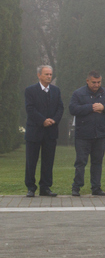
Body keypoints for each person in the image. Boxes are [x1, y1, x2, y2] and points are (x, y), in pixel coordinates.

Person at [69, 71, 105, 197]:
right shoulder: (78, 93)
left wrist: (103, 107)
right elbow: (72, 109)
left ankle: (96, 187)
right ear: (87, 81)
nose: (96, 85)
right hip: (83, 135)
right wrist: (90, 107)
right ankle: (76, 187)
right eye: (94, 82)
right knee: (81, 162)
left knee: (97, 162)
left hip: (100, 134)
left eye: (99, 82)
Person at [24, 65, 64, 197]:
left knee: (48, 161)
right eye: (46, 74)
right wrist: (43, 120)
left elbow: (60, 108)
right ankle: (31, 187)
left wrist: (54, 120)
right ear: (39, 75)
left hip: (50, 132)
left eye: (50, 74)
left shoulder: (56, 90)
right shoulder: (30, 90)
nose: (49, 77)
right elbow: (30, 109)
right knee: (31, 161)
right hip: (34, 131)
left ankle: (45, 188)